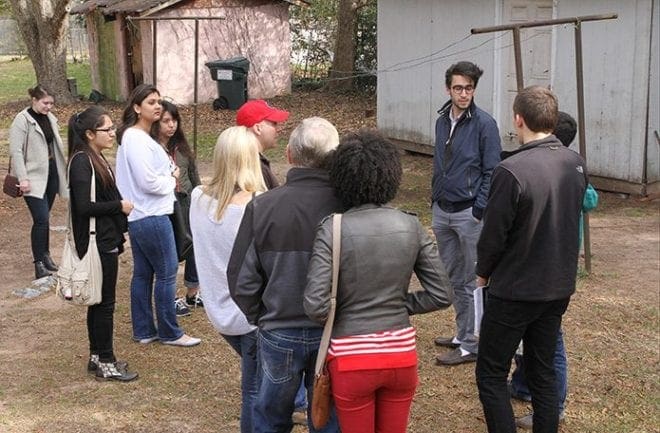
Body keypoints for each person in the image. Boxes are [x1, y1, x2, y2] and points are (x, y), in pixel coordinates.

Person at [304, 130, 454, 433]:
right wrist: (401, 304)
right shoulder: (411, 225)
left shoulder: (332, 229)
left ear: (341, 178)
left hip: (351, 359)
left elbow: (315, 304)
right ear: (391, 175)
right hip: (401, 356)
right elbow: (442, 294)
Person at [475, 86, 588, 433]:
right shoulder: (576, 163)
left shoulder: (511, 171)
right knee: (542, 369)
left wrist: (483, 273)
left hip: (516, 288)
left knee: (491, 372)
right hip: (557, 285)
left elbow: (494, 234)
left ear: (518, 119)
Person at [228, 117, 342, 433]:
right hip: (331, 331)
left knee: (271, 420)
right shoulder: (348, 206)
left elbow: (241, 278)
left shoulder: (262, 206)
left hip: (279, 331)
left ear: (290, 155)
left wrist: (263, 317)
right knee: (328, 420)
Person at [509, 111, 599, 430]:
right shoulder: (562, 164)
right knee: (527, 334)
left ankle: (554, 405)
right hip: (543, 265)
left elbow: (590, 200)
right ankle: (521, 384)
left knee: (550, 342)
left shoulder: (568, 168)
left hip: (552, 267)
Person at [189, 126, 267, 432]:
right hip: (252, 316)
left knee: (258, 385)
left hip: (218, 311)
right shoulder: (259, 205)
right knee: (255, 391)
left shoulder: (198, 199)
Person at [115, 83, 201, 347]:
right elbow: (147, 182)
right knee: (165, 273)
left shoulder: (137, 138)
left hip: (143, 215)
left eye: (159, 101)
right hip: (152, 215)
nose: (158, 106)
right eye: (151, 102)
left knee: (143, 274)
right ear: (137, 107)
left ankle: (144, 330)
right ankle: (169, 332)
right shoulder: (136, 138)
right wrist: (171, 178)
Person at [431, 61, 501, 366]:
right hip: (442, 210)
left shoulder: (485, 124)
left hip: (469, 213)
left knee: (475, 281)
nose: (463, 93)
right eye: (458, 88)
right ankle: (462, 333)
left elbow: (492, 170)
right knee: (453, 277)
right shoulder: (441, 120)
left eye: (469, 88)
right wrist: (434, 197)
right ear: (448, 89)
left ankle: (474, 343)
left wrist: (479, 208)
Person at [67, 106, 139, 382]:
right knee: (104, 303)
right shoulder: (83, 161)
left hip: (106, 239)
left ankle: (97, 355)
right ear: (88, 133)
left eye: (112, 128)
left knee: (99, 302)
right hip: (98, 242)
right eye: (106, 129)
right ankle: (106, 361)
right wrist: (119, 206)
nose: (112, 133)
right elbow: (83, 207)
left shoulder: (94, 157)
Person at [8, 84, 68, 279]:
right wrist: (23, 178)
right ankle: (38, 263)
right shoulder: (22, 120)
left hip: (50, 173)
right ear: (34, 100)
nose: (48, 106)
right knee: (41, 219)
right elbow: (16, 151)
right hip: (32, 177)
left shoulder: (49, 118)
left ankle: (46, 255)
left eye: (51, 103)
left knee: (45, 218)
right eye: (45, 102)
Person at [151, 100, 203, 317]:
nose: (171, 125)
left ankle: (193, 291)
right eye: (165, 121)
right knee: (170, 249)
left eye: (174, 121)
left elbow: (194, 176)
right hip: (167, 205)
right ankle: (171, 296)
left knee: (194, 245)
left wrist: (200, 197)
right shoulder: (151, 149)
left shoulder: (182, 148)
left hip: (187, 202)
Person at [236, 99, 290, 189]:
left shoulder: (244, 160)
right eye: (274, 123)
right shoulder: (254, 169)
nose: (279, 129)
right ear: (258, 129)